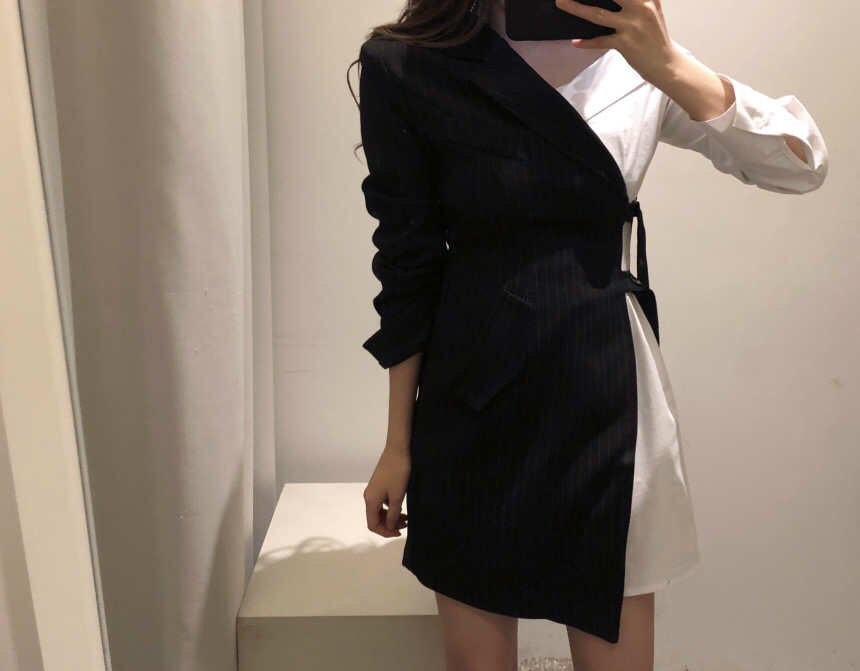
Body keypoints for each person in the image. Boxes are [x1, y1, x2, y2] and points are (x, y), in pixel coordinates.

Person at [350, 0, 828, 668]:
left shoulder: (634, 58)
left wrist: (669, 65)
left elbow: (801, 164)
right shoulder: (411, 63)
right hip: (472, 391)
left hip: (605, 389)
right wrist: (398, 443)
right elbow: (408, 264)